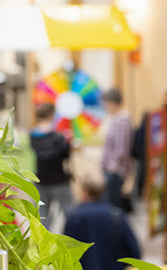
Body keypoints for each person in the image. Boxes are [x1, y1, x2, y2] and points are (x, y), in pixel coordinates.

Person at [63, 175, 141, 270]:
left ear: (85, 191)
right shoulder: (116, 216)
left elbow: (65, 252)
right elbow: (134, 252)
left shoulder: (74, 217)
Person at [30, 102, 74, 231]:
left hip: (41, 179)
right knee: (69, 212)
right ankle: (74, 239)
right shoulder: (58, 137)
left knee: (43, 216)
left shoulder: (32, 136)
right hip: (59, 180)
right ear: (51, 115)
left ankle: (46, 245)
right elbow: (65, 156)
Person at [100, 87, 133, 211]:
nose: (105, 107)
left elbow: (121, 147)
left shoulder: (122, 121)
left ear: (113, 103)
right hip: (109, 168)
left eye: (106, 104)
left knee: (112, 203)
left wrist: (113, 167)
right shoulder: (114, 119)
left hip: (115, 170)